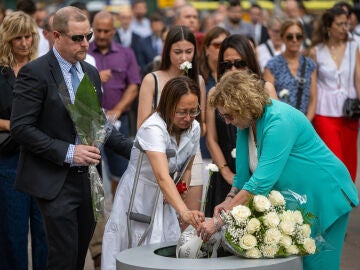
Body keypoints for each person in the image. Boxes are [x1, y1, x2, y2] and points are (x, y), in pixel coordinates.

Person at [10, 6, 133, 269]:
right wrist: (68, 151)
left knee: (78, 258)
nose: (86, 43)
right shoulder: (36, 72)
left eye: (87, 36)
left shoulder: (89, 72)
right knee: (62, 258)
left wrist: (140, 150)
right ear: (56, 36)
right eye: (78, 38)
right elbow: (21, 128)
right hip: (54, 181)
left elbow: (97, 125)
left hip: (87, 182)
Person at [198, 69, 358, 270]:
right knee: (303, 263)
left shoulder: (279, 120)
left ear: (243, 105)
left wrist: (219, 221)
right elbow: (242, 177)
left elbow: (260, 183)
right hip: (303, 197)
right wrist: (229, 199)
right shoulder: (245, 123)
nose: (228, 122)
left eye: (229, 115)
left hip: (326, 194)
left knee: (318, 265)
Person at [102, 76, 205, 270]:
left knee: (163, 249)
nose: (188, 118)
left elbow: (188, 166)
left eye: (194, 111)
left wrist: (182, 184)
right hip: (139, 194)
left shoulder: (194, 128)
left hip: (165, 196)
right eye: (182, 112)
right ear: (168, 106)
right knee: (133, 249)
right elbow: (162, 176)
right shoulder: (153, 128)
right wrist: (183, 211)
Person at [204, 34, 277, 217]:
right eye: (227, 65)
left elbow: (273, 135)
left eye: (239, 63)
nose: (233, 69)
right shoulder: (215, 92)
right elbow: (211, 138)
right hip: (225, 170)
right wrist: (226, 171)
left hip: (259, 171)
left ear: (250, 63)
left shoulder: (265, 89)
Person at [137, 25, 206, 212]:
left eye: (188, 51)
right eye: (177, 52)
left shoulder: (198, 80)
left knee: (190, 215)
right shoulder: (152, 79)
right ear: (167, 51)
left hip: (189, 153)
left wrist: (187, 124)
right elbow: (142, 126)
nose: (183, 57)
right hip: (159, 153)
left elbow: (203, 124)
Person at [0, 11, 48, 270]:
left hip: (40, 157)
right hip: (9, 158)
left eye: (28, 36)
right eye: (17, 37)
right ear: (7, 39)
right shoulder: (1, 71)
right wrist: (14, 125)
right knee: (12, 232)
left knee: (44, 232)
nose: (23, 43)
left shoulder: (41, 69)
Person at [89, 10, 141, 198]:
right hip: (90, 122)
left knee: (122, 173)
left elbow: (134, 86)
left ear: (113, 31)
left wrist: (117, 110)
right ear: (92, 29)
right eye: (98, 31)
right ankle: (96, 219)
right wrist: (95, 77)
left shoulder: (126, 53)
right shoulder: (83, 52)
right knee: (91, 173)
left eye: (106, 31)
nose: (102, 35)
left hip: (119, 121)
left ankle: (117, 216)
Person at [309, 7, 360, 182]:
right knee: (333, 158)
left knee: (349, 157)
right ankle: (334, 198)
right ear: (328, 26)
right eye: (339, 24)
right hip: (324, 111)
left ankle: (348, 196)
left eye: (346, 24)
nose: (344, 28)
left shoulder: (354, 47)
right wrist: (310, 113)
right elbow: (312, 84)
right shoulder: (316, 50)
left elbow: (358, 79)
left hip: (350, 111)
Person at [264, 19, 317, 121]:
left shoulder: (310, 65)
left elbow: (313, 99)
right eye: (289, 37)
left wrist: (306, 123)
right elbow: (269, 100)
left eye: (298, 36)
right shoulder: (272, 65)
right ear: (282, 38)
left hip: (304, 124)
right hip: (281, 122)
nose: (294, 40)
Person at [199, 26, 229, 160]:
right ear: (206, 49)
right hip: (205, 147)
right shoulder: (198, 78)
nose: (222, 48)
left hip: (230, 142)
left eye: (225, 44)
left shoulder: (236, 75)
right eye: (217, 45)